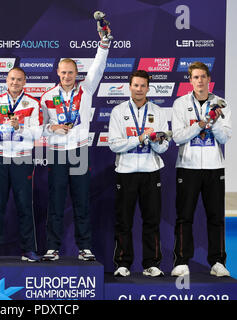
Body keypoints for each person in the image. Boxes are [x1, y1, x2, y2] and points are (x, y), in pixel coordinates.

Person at [40, 26, 111, 261]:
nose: (67, 76)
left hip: (79, 151)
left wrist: (103, 44)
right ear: (57, 73)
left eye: (71, 72)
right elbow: (39, 127)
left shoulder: (86, 89)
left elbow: (98, 67)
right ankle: (52, 247)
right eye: (63, 72)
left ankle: (85, 248)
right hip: (57, 153)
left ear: (76, 73)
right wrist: (53, 128)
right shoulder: (47, 97)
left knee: (81, 200)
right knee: (56, 201)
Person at [171, 62, 231, 277]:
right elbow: (177, 137)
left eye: (203, 77)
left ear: (209, 79)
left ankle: (217, 261)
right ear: (190, 80)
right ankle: (181, 261)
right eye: (195, 77)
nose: (199, 81)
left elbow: (225, 137)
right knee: (184, 216)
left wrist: (214, 122)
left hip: (215, 167)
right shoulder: (180, 104)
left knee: (216, 217)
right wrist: (201, 124)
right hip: (188, 167)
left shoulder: (221, 104)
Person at [0, 67, 43, 263]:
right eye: (12, 79)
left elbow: (39, 134)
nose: (15, 83)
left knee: (25, 206)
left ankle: (29, 249)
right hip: (0, 157)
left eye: (19, 79)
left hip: (22, 159)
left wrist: (19, 127)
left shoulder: (32, 103)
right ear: (7, 81)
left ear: (25, 82)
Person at [108, 70, 169, 277]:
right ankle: (123, 263)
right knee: (123, 220)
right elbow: (114, 145)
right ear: (130, 86)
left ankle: (151, 263)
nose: (139, 89)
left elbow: (164, 147)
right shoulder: (118, 111)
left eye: (143, 86)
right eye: (136, 85)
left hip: (151, 172)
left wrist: (155, 142)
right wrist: (139, 139)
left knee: (151, 220)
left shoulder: (158, 112)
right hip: (126, 172)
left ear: (148, 88)